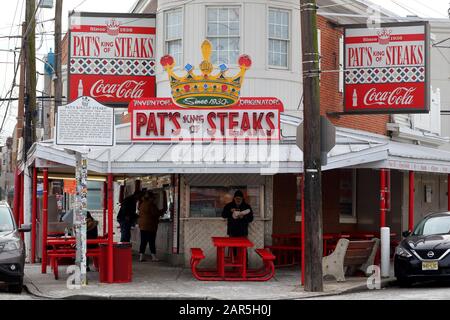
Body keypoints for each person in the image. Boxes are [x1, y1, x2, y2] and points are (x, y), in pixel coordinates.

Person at [138, 191, 167, 262]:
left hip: (142, 225)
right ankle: (153, 256)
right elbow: (156, 213)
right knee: (151, 241)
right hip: (150, 225)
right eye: (153, 198)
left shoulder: (142, 204)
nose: (154, 199)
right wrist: (163, 210)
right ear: (151, 198)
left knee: (143, 241)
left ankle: (141, 256)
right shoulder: (151, 205)